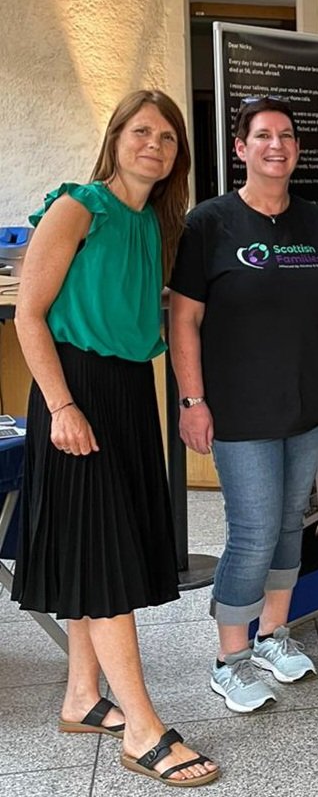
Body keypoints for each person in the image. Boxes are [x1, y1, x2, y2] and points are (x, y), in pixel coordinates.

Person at [11, 90, 218, 786]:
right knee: (106, 558)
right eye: (141, 131)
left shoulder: (155, 225)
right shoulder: (80, 207)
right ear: (116, 136)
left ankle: (82, 696)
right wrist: (62, 404)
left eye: (167, 136)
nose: (153, 144)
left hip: (128, 392)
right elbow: (29, 316)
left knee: (93, 541)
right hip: (77, 392)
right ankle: (142, 727)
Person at [169, 97, 318, 713]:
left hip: (307, 404)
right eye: (263, 136)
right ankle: (229, 659)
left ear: (297, 149)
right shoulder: (209, 224)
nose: (278, 145)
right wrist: (192, 400)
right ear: (241, 148)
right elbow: (185, 319)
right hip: (237, 409)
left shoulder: (317, 223)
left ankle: (275, 634)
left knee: (286, 526)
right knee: (250, 532)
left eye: (288, 137)